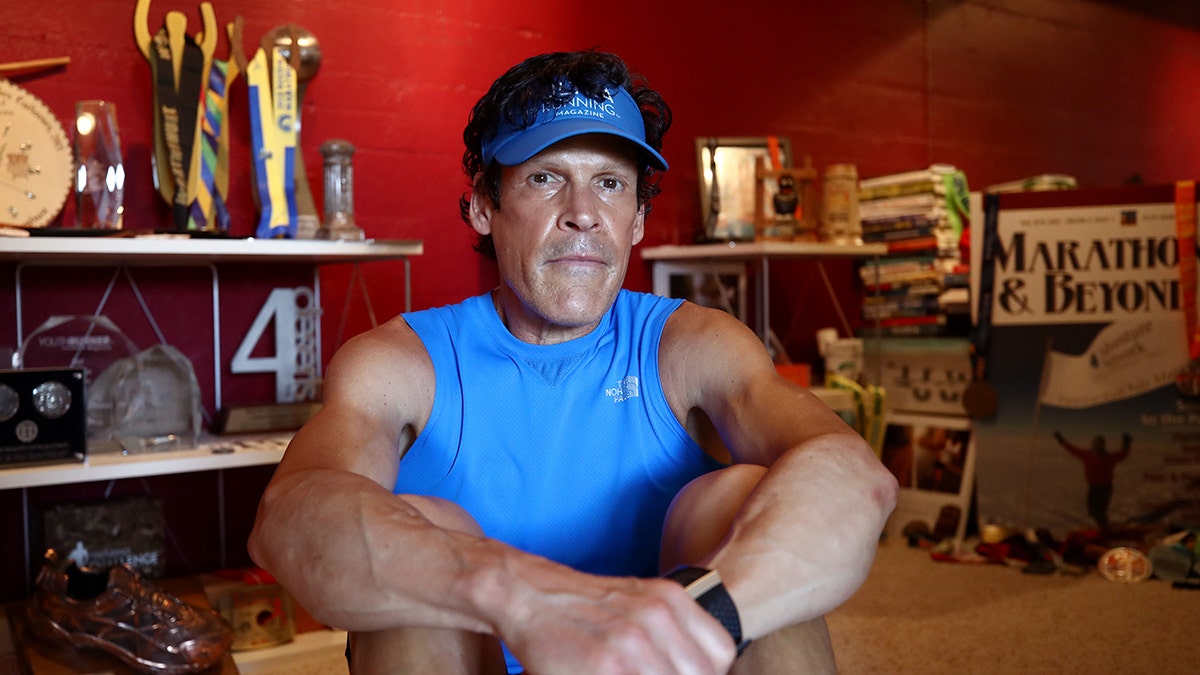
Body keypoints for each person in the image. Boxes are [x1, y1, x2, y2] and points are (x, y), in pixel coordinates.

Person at [248, 50, 898, 675]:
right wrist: (529, 599)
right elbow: (293, 513)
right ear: (483, 202)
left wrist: (693, 621)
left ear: (638, 218)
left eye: (610, 183)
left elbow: (852, 475)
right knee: (421, 534)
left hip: (665, 666)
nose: (584, 214)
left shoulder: (693, 345)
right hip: (465, 655)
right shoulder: (399, 362)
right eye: (545, 176)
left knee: (744, 499)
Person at [1053, 431, 1132, 530]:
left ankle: (1104, 528)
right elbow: (1073, 449)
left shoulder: (1108, 457)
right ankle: (1102, 526)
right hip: (1093, 487)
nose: (1098, 445)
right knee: (1092, 510)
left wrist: (1126, 443)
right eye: (1097, 443)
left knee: (1100, 511)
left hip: (1105, 488)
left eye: (1100, 443)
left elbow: (1123, 454)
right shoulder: (1087, 455)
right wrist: (1062, 440)